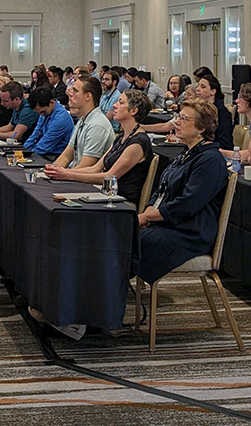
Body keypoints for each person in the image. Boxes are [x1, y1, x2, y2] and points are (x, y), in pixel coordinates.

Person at [135, 97, 231, 287]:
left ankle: (110, 298)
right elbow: (160, 190)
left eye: (184, 119)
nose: (176, 122)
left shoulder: (210, 160)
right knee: (121, 236)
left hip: (190, 234)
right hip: (170, 226)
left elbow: (186, 205)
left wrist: (148, 218)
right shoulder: (187, 153)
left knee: (127, 240)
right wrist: (147, 213)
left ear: (201, 128)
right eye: (178, 117)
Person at [44, 89, 154, 206]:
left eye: (120, 102)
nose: (114, 106)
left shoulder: (138, 143)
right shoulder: (121, 137)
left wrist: (67, 175)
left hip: (121, 202)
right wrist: (62, 171)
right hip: (106, 195)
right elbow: (95, 168)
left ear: (133, 110)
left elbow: (109, 177)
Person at [53, 74, 116, 169]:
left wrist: (59, 173)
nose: (70, 94)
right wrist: (51, 170)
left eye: (75, 91)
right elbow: (66, 157)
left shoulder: (97, 125)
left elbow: (85, 167)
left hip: (86, 181)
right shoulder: (83, 120)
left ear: (88, 96)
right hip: (76, 176)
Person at [23, 86, 75, 160]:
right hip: (45, 153)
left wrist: (26, 157)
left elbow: (44, 145)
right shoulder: (46, 111)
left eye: (42, 112)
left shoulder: (61, 119)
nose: (41, 115)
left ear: (52, 102)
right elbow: (35, 134)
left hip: (55, 156)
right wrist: (23, 150)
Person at [195, 73, 233, 152]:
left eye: (202, 87)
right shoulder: (200, 108)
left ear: (213, 91)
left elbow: (225, 143)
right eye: (198, 86)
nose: (197, 89)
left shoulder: (222, 112)